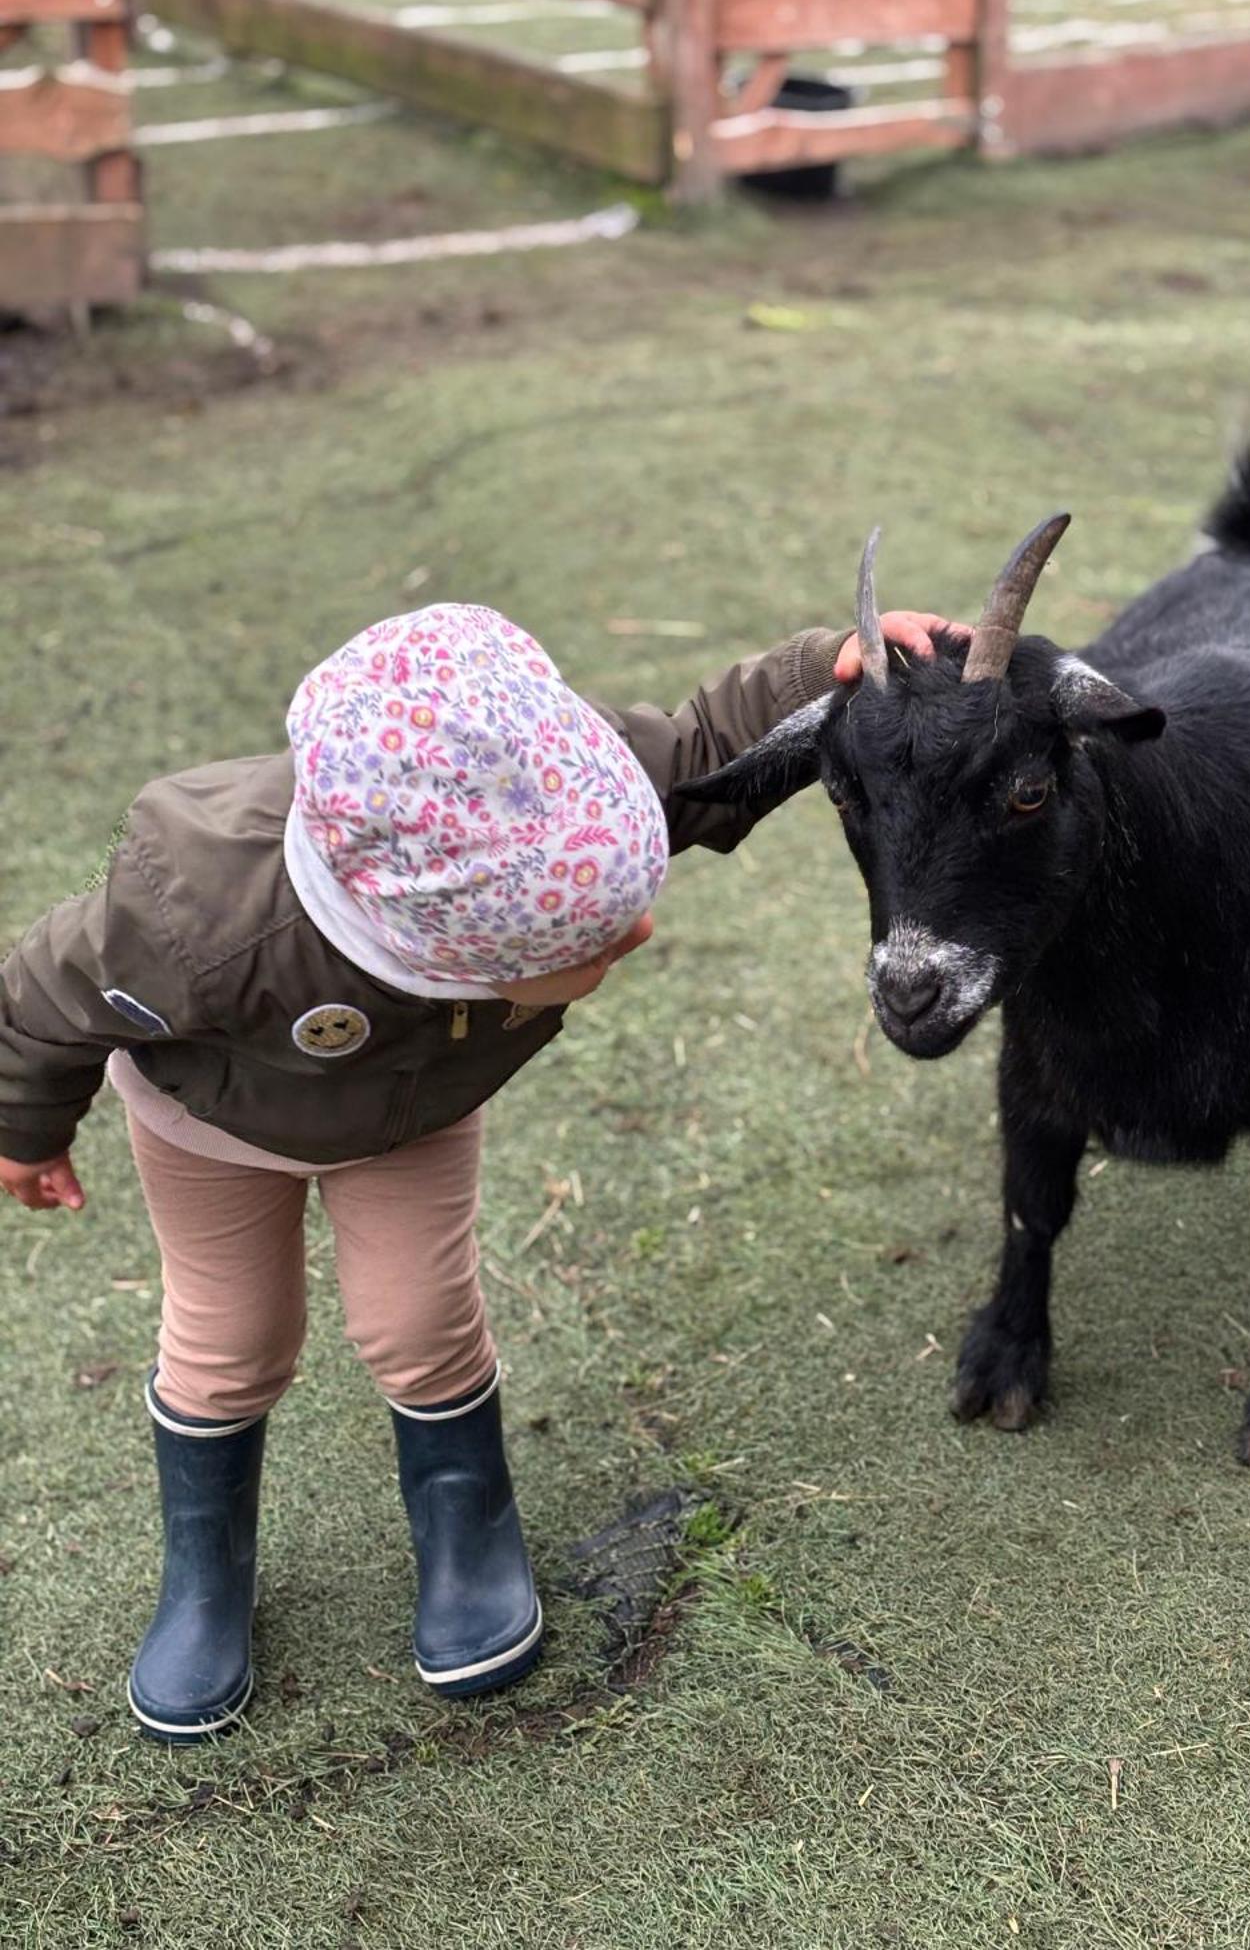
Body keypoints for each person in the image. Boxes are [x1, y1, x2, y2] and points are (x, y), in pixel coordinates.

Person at [0, 596, 958, 1743]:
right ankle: (205, 1577)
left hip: (408, 1116)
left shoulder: (550, 800)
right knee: (232, 1339)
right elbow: (41, 1000)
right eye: (593, 945)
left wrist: (827, 666)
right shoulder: (201, 921)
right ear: (451, 963)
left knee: (420, 1319)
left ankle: (467, 1532)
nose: (635, 936)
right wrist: (26, 1130)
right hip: (214, 1123)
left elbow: (708, 747)